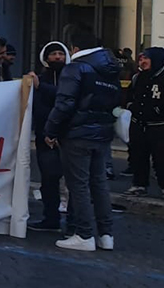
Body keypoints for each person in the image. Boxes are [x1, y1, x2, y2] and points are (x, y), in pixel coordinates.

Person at [45, 29, 120, 251]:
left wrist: (51, 130)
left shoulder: (76, 68)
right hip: (101, 133)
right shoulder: (111, 70)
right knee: (99, 184)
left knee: (78, 185)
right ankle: (106, 235)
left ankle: (84, 234)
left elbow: (65, 103)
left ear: (75, 49)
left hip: (77, 134)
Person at [123, 47, 164, 201]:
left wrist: (158, 111)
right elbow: (128, 97)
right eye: (140, 59)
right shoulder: (137, 78)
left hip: (160, 126)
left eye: (146, 59)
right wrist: (131, 107)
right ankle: (139, 185)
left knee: (161, 157)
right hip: (138, 124)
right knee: (138, 155)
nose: (142, 62)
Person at [29, 41, 69, 232]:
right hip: (45, 136)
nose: (58, 57)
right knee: (49, 179)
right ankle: (50, 218)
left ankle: (75, 222)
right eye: (53, 54)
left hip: (67, 136)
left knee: (74, 181)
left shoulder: (71, 76)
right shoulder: (40, 77)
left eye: (61, 54)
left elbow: (64, 97)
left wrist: (41, 88)